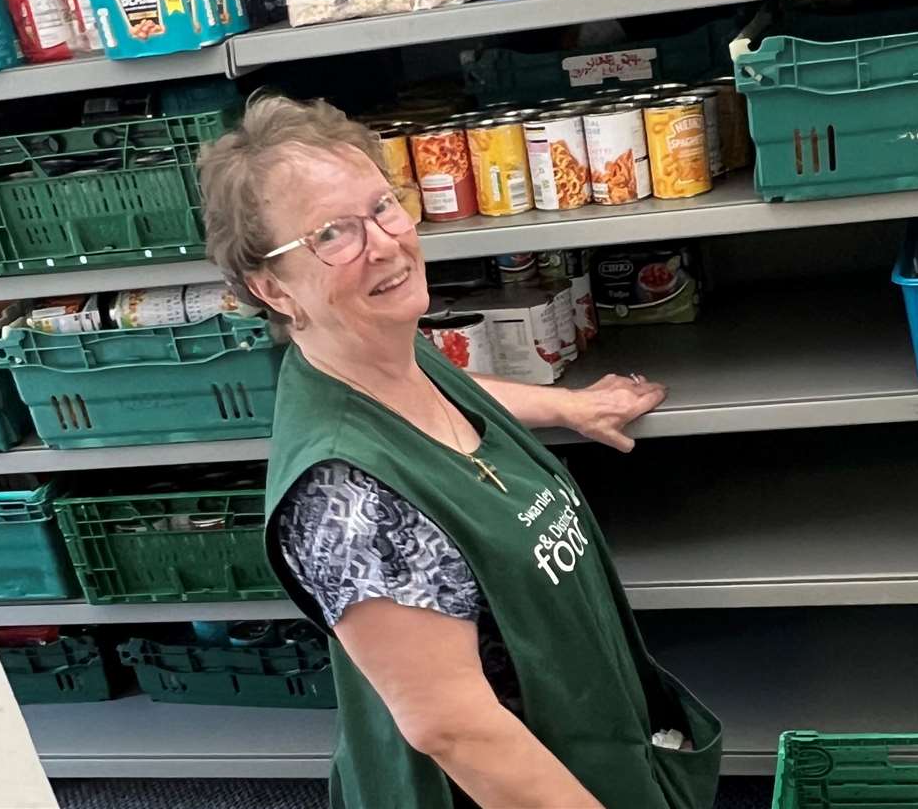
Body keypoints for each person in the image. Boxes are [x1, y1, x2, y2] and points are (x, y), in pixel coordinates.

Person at [198, 97, 721, 809]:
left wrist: (566, 405)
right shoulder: (346, 498)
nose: (383, 242)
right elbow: (456, 731)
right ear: (270, 288)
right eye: (331, 234)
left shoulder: (383, 355)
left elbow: (450, 392)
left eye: (383, 206)